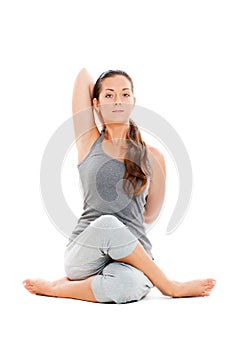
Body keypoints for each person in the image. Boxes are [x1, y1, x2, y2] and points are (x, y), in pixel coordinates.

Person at [23, 68, 216, 303]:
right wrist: (103, 109)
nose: (117, 100)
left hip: (133, 257)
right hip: (85, 251)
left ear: (134, 101)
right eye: (109, 95)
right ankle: (169, 286)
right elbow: (83, 77)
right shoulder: (88, 141)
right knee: (107, 223)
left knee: (127, 286)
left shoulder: (153, 156)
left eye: (125, 95)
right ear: (95, 103)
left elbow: (149, 215)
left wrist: (124, 242)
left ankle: (67, 287)